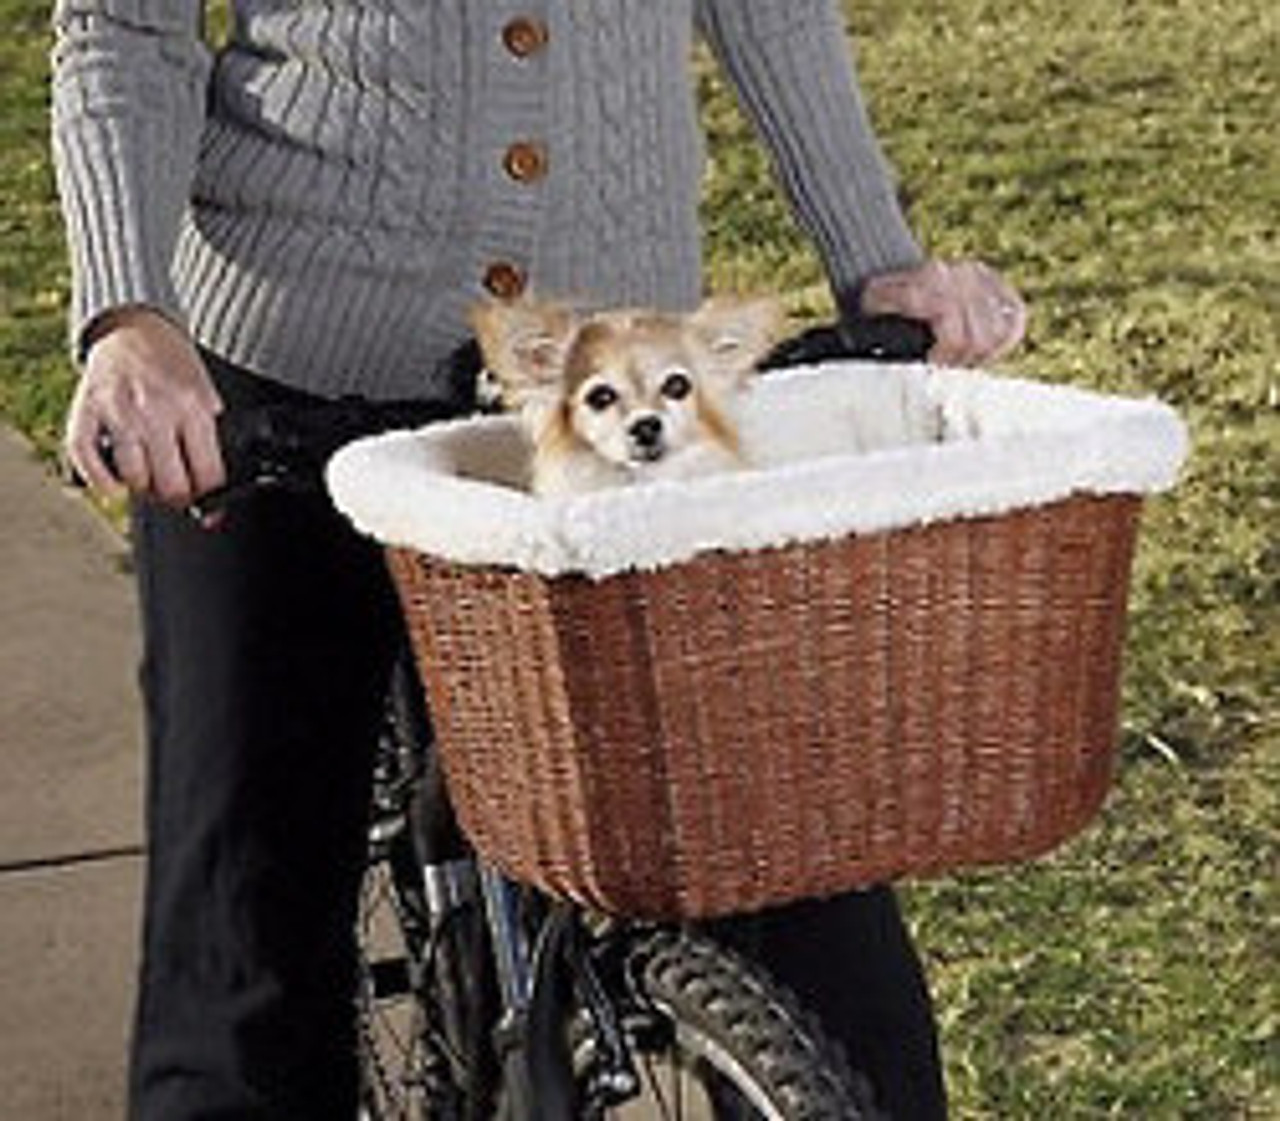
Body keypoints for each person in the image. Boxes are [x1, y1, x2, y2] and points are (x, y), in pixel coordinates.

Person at [52, 1, 1026, 1118]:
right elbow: (123, 26)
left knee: (796, 892)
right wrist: (129, 314)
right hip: (282, 370)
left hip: (601, 397)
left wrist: (877, 260)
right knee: (242, 952)